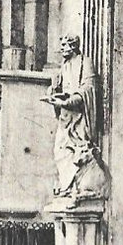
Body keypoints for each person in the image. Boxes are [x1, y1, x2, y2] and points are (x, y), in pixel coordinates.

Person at [46, 34, 108, 203]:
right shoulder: (64, 66)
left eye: (65, 45)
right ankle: (67, 188)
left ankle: (76, 187)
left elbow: (89, 88)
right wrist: (53, 92)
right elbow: (59, 87)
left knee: (76, 151)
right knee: (60, 150)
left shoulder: (85, 62)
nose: (62, 48)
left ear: (73, 46)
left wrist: (68, 101)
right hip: (66, 116)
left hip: (80, 117)